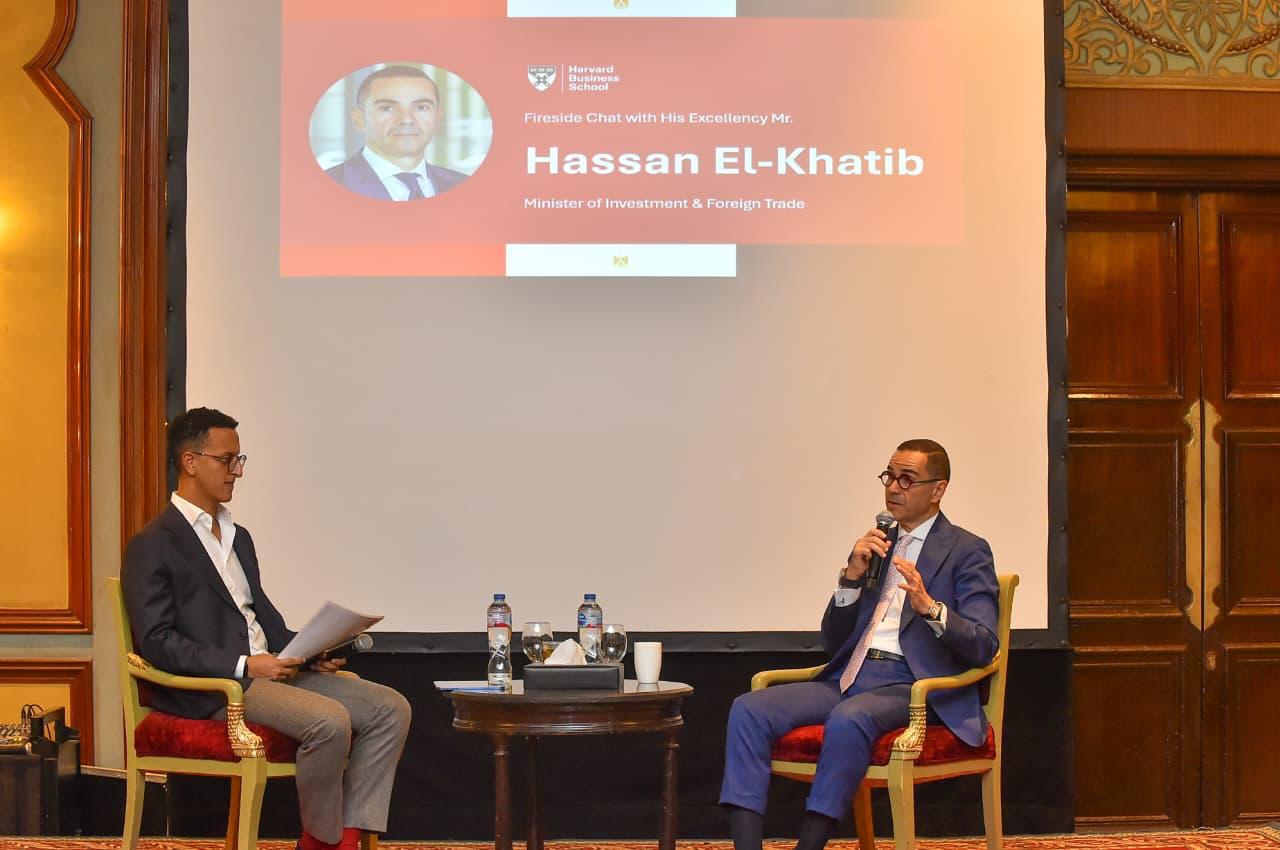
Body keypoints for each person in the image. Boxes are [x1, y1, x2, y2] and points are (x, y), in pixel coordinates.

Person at [121, 407, 412, 850]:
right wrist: (243, 665)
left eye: (239, 460)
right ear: (190, 462)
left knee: (390, 708)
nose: (237, 471)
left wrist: (312, 653)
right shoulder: (152, 544)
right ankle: (321, 841)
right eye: (227, 460)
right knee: (329, 720)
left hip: (270, 672)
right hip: (220, 687)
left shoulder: (239, 537)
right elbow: (157, 643)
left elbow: (261, 622)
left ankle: (347, 835)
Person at [719, 439, 999, 850]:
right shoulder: (878, 544)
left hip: (912, 685)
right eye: (889, 477)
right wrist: (850, 578)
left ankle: (810, 845)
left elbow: (984, 644)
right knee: (748, 709)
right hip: (850, 675)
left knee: (849, 718)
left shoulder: (967, 550)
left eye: (907, 479)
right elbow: (833, 642)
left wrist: (930, 608)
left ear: (938, 489)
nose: (894, 488)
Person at [324, 65, 468, 201]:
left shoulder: (463, 185)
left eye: (422, 107)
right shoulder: (327, 188)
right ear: (359, 119)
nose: (406, 120)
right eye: (387, 108)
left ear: (437, 118)